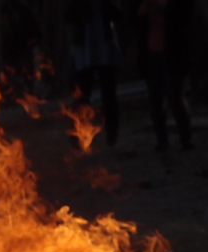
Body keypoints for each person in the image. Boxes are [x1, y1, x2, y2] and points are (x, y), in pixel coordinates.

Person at [137, 0, 194, 152]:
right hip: (151, 53)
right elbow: (133, 22)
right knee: (155, 99)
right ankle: (162, 140)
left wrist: (164, 10)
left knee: (174, 95)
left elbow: (186, 15)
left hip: (173, 52)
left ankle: (185, 137)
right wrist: (141, 14)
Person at [66, 0, 123, 148]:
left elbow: (118, 14)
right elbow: (68, 16)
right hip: (84, 50)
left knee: (109, 95)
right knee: (82, 94)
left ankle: (112, 134)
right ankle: (77, 135)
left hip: (105, 47)